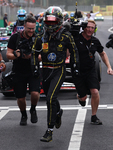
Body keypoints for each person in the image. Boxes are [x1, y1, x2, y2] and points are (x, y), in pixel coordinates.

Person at [39, 6, 79, 142]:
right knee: (51, 99)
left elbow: (74, 53)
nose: (50, 24)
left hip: (59, 70)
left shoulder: (66, 35)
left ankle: (49, 131)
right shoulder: (41, 34)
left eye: (53, 21)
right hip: (45, 70)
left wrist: (75, 68)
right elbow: (34, 51)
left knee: (50, 98)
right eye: (48, 21)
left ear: (59, 21)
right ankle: (57, 112)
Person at [73, 20, 113, 125]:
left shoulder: (95, 41)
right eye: (89, 27)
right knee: (83, 98)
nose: (90, 29)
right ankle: (80, 97)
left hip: (90, 70)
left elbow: (102, 53)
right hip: (78, 71)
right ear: (84, 28)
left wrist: (109, 67)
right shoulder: (76, 39)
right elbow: (67, 51)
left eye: (93, 28)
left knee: (95, 92)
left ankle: (94, 116)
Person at [6, 15, 42, 126]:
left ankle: (33, 109)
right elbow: (8, 55)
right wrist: (17, 55)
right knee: (21, 98)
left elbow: (42, 56)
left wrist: (32, 57)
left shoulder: (38, 39)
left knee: (35, 93)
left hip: (33, 69)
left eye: (33, 29)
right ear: (24, 27)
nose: (31, 31)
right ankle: (23, 114)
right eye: (29, 29)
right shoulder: (15, 38)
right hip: (19, 71)